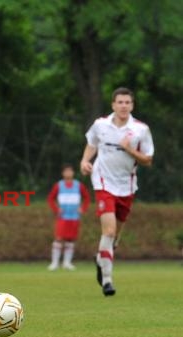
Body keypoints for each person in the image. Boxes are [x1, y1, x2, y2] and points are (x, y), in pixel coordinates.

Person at [80, 87, 154, 296]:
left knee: (115, 239)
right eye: (120, 102)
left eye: (127, 102)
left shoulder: (140, 130)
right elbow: (91, 144)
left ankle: (100, 259)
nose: (123, 106)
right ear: (113, 104)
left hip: (127, 186)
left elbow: (148, 160)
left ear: (132, 105)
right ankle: (107, 280)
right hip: (103, 182)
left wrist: (129, 149)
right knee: (109, 231)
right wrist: (85, 161)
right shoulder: (100, 125)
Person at [47, 164, 90, 270]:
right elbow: (50, 199)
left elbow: (87, 198)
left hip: (74, 216)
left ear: (73, 173)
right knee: (58, 238)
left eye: (70, 171)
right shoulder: (59, 185)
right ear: (63, 173)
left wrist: (82, 209)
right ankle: (55, 263)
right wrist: (57, 209)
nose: (68, 173)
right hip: (63, 216)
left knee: (70, 239)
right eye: (66, 171)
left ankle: (67, 262)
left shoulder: (78, 185)